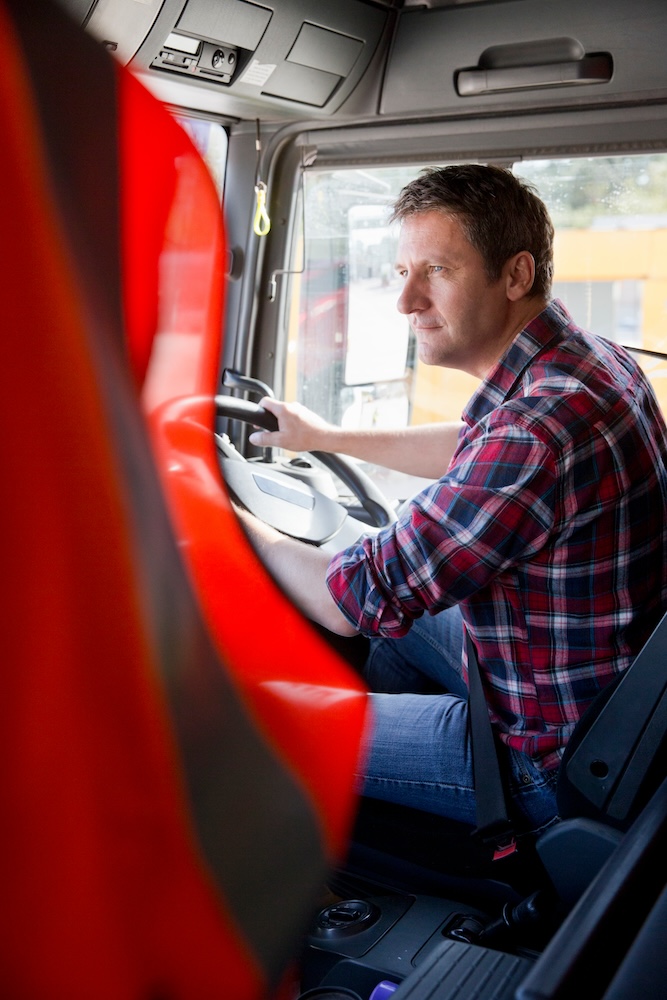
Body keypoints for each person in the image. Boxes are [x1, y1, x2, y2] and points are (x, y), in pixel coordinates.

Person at [236, 164, 667, 840]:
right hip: (601, 706)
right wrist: (321, 436)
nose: (405, 301)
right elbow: (476, 446)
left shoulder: (535, 430)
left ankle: (446, 806)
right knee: (402, 634)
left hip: (548, 761)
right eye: (402, 271)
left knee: (248, 714)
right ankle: (401, 814)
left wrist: (224, 517)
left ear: (515, 275)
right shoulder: (586, 361)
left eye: (434, 271)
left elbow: (348, 602)